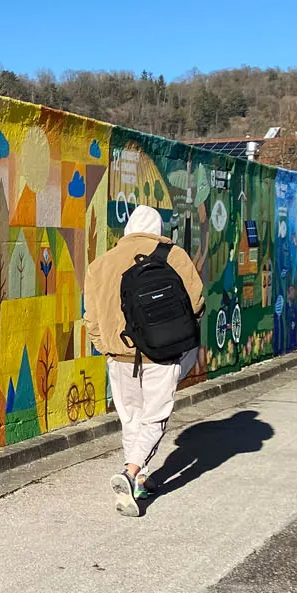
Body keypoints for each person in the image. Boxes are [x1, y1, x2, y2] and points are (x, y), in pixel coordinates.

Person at [82, 205, 204, 516]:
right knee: (155, 417)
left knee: (131, 418)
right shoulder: (174, 256)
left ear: (128, 229)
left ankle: (139, 481)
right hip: (162, 353)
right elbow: (197, 303)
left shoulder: (101, 264)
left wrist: (105, 346)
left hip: (119, 354)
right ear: (158, 229)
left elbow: (91, 316)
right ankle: (131, 471)